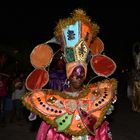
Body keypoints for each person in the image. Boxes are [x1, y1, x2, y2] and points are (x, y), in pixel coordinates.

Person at [22, 9, 117, 140]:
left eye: (81, 74)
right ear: (67, 74)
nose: (78, 77)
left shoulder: (96, 97)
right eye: (73, 73)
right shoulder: (54, 103)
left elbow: (102, 134)